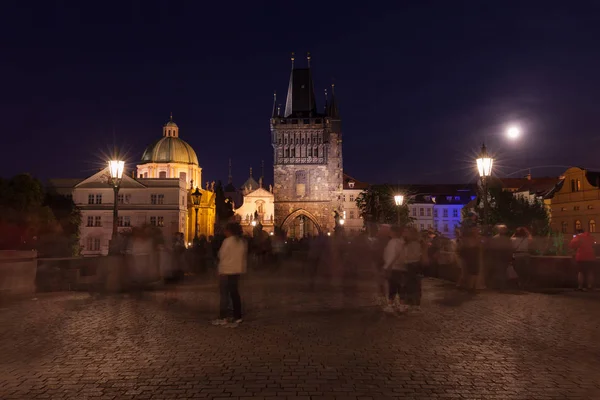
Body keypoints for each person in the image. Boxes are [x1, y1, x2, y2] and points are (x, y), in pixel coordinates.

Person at [212, 222, 247, 326]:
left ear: (229, 231)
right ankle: (237, 316)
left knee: (224, 296)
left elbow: (221, 255)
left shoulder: (227, 241)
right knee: (235, 294)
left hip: (226, 271)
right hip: (237, 271)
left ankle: (223, 317)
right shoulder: (241, 241)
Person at [382, 225, 406, 313]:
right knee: (400, 287)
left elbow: (392, 255)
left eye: (391, 231)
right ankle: (402, 305)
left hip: (394, 267)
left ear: (394, 233)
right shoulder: (402, 242)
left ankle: (390, 305)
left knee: (392, 287)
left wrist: (386, 266)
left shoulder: (393, 242)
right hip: (401, 267)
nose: (389, 233)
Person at [403, 227, 423, 312]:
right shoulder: (407, 243)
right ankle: (410, 303)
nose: (405, 234)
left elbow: (416, 255)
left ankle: (416, 304)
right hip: (408, 265)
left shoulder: (416, 243)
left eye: (407, 232)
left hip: (414, 265)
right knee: (408, 285)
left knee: (414, 285)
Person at [458, 226, 480, 292]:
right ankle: (470, 287)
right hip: (470, 258)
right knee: (471, 273)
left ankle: (473, 287)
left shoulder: (476, 239)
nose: (477, 232)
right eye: (476, 231)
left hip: (475, 257)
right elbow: (464, 249)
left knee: (475, 273)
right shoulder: (468, 239)